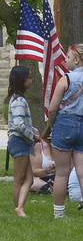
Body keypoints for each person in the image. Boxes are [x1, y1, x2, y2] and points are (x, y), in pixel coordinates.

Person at [47, 43, 83, 218]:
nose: (65, 60)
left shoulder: (66, 79)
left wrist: (51, 125)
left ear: (77, 59)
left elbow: (53, 108)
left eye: (68, 57)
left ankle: (59, 213)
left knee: (62, 172)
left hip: (64, 124)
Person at [6, 66, 39, 217]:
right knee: (19, 179)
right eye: (29, 77)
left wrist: (33, 130)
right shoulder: (18, 100)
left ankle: (19, 207)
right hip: (19, 141)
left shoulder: (18, 99)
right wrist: (31, 135)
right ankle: (18, 209)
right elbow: (19, 125)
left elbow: (22, 123)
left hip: (21, 141)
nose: (31, 80)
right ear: (22, 80)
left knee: (29, 179)